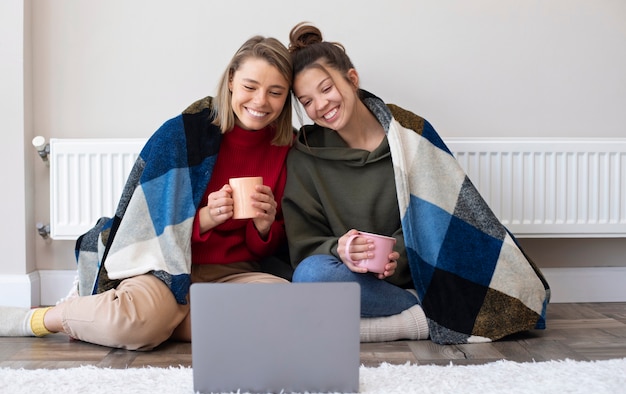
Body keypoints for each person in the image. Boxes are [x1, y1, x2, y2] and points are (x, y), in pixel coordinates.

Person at [0, 35, 294, 350]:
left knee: (289, 308)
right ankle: (47, 317)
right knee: (130, 325)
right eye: (251, 87)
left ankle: (160, 322)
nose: (261, 101)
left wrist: (264, 227)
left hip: (234, 275)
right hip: (165, 267)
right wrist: (205, 218)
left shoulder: (286, 148)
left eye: (275, 92)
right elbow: (142, 224)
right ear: (232, 81)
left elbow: (267, 249)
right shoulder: (182, 135)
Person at [283, 23, 551, 344]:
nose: (321, 105)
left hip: (417, 277)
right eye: (307, 101)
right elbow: (304, 243)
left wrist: (395, 254)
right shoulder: (304, 155)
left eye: (326, 89)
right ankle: (426, 317)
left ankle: (414, 319)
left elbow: (440, 219)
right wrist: (340, 249)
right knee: (311, 275)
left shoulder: (408, 133)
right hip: (353, 280)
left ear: (352, 80)